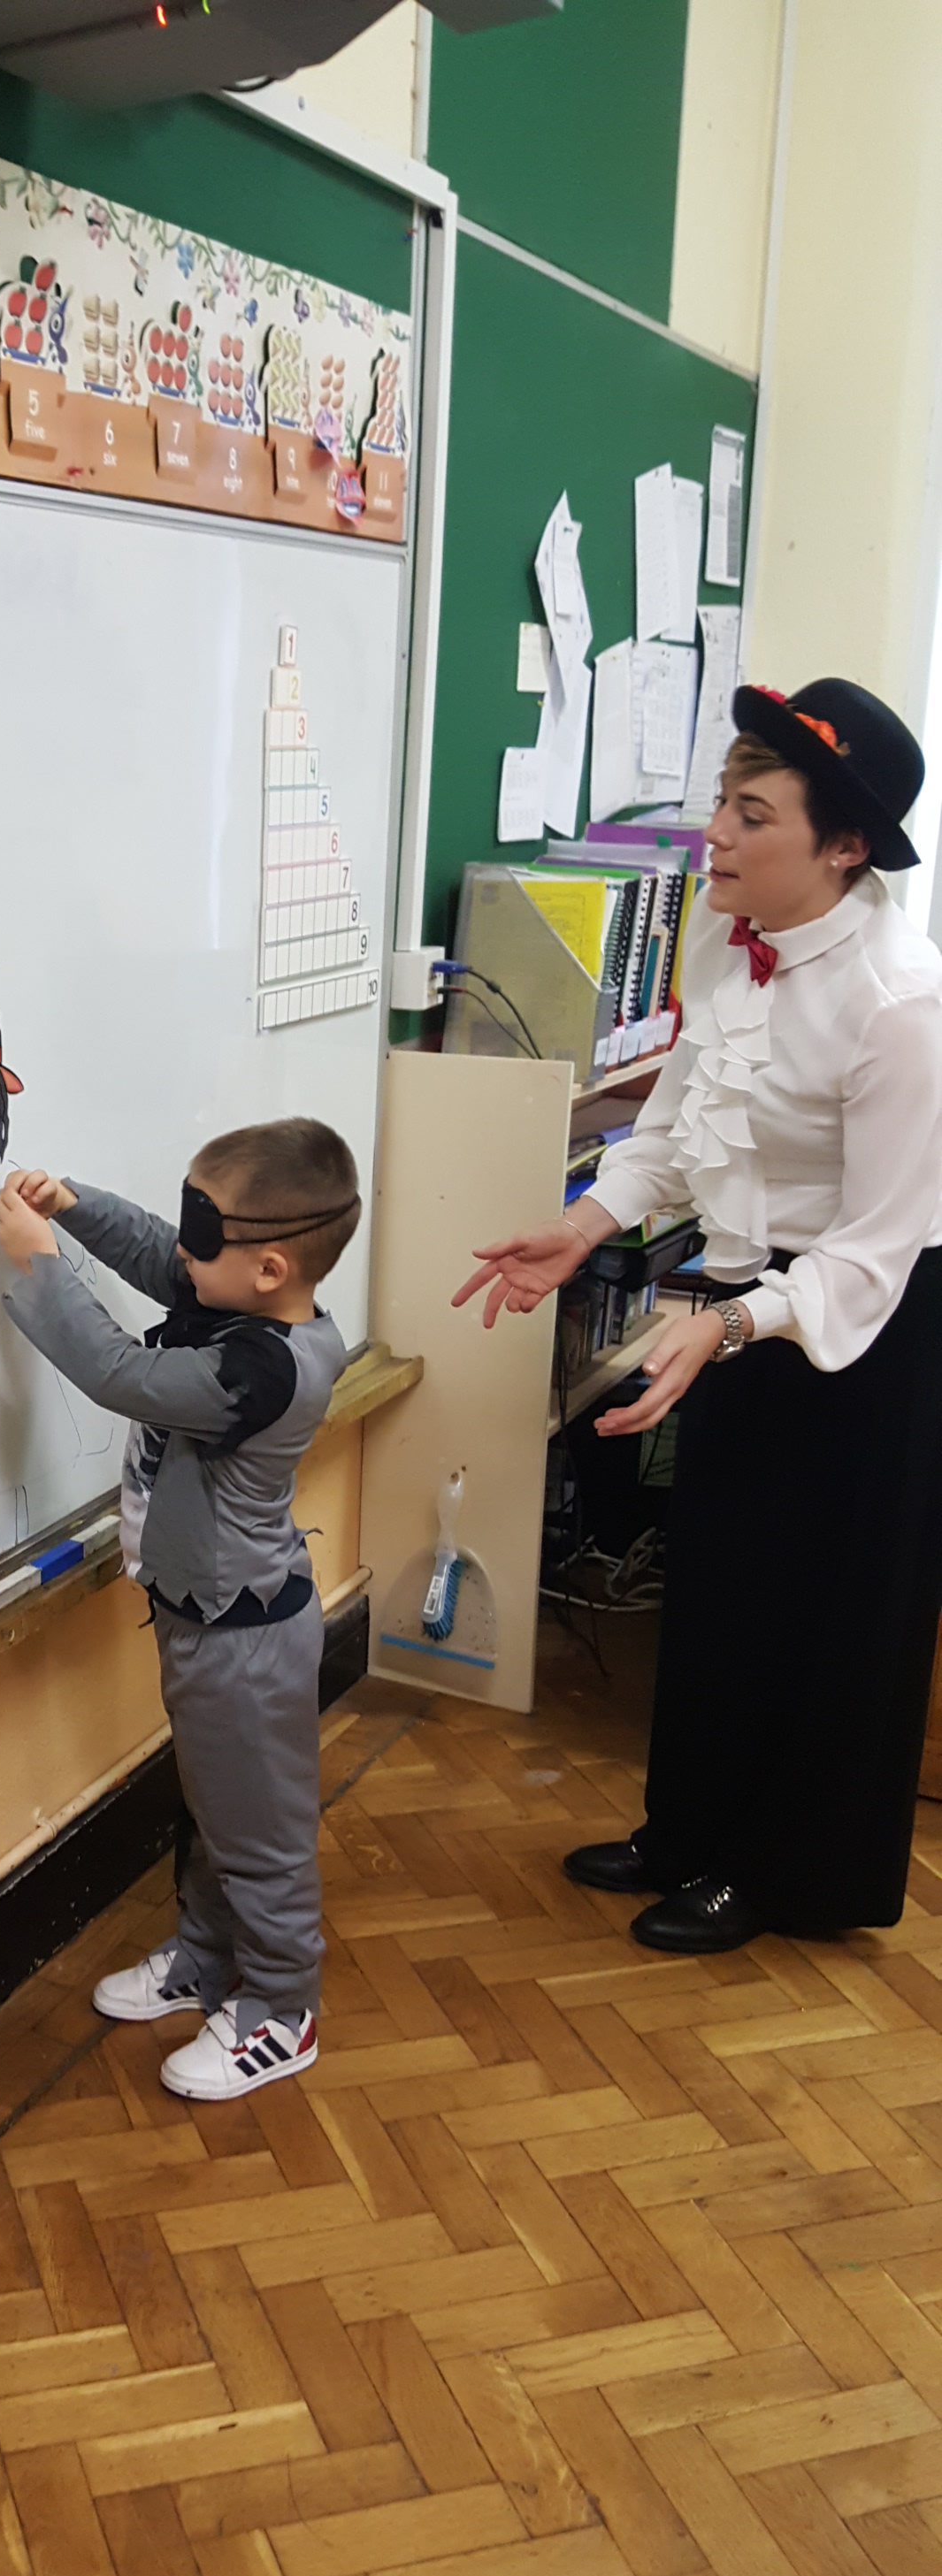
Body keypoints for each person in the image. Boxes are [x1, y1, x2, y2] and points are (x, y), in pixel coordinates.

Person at [456, 679, 942, 1954]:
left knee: (819, 1607)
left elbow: (875, 1248)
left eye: (751, 814)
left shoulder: (900, 1002)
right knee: (720, 1574)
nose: (711, 836)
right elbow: (676, 1130)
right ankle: (685, 1832)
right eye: (720, 801)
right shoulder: (732, 938)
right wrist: (584, 1227)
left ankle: (778, 1873)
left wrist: (727, 1327)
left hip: (865, 1324)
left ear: (844, 847)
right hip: (740, 1296)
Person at [0, 1120, 357, 2096]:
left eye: (206, 1235)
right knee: (213, 1809)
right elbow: (167, 1257)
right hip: (206, 1624)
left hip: (243, 1641)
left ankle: (281, 2010)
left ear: (270, 1268)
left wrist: (40, 1269)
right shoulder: (242, 1302)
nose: (184, 1253)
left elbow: (122, 1373)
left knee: (259, 1834)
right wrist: (75, 1206)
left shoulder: (264, 1372)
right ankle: (206, 1957)